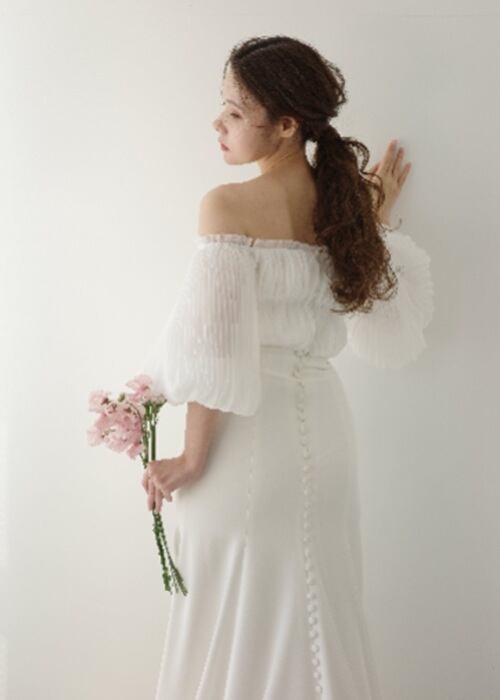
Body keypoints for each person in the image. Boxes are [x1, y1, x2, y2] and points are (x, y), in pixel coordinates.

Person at [138, 35, 434, 700]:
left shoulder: (226, 206)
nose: (217, 123)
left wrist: (190, 458)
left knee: (229, 616)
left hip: (246, 441)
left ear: (286, 125)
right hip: (327, 438)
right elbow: (368, 302)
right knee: (320, 611)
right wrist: (377, 213)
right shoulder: (348, 210)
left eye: (234, 112)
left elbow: (216, 351)